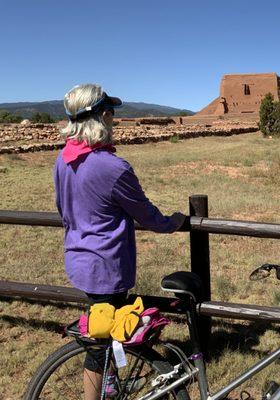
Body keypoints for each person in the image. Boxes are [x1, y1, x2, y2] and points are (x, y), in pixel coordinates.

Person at [54, 83, 188, 399]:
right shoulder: (113, 167)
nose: (113, 119)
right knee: (100, 345)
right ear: (102, 116)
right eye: (111, 113)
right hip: (106, 267)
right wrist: (175, 222)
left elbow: (63, 209)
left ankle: (110, 386)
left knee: (104, 332)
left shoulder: (63, 159)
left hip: (79, 258)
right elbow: (147, 216)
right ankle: (98, 393)